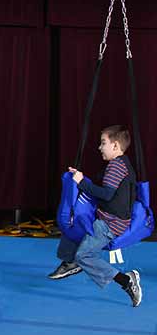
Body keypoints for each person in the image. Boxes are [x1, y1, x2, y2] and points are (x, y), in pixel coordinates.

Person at [48, 125, 143, 307]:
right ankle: (69, 262)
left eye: (103, 143)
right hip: (106, 216)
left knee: (84, 256)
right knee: (73, 226)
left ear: (115, 146)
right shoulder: (121, 163)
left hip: (110, 224)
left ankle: (127, 280)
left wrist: (81, 182)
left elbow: (106, 194)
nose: (99, 147)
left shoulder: (116, 166)